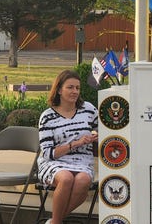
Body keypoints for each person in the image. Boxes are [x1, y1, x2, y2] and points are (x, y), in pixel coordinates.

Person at [37, 70, 98, 224]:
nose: (75, 91)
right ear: (58, 90)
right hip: (54, 162)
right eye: (70, 87)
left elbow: (103, 131)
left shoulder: (89, 109)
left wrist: (97, 136)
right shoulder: (47, 116)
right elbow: (48, 153)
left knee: (83, 180)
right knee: (66, 179)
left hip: (83, 161)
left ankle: (54, 222)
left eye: (77, 88)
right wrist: (76, 143)